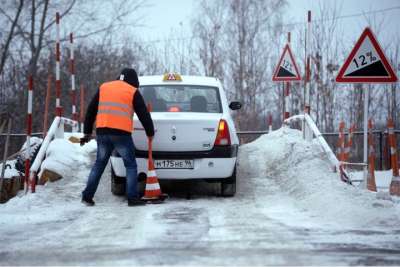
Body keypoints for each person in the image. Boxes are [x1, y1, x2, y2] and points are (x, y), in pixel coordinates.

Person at [80, 68, 154, 206]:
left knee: (99, 164)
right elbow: (143, 114)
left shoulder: (104, 87)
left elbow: (91, 110)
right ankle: (132, 198)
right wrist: (150, 132)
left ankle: (87, 196)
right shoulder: (132, 91)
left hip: (102, 131)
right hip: (121, 134)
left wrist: (87, 132)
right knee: (130, 165)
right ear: (133, 81)